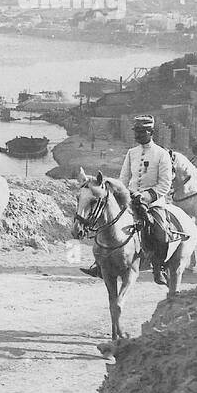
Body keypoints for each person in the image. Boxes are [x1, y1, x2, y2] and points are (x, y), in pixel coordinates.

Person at [83, 115, 174, 285]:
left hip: (153, 202)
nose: (137, 135)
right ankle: (99, 263)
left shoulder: (162, 154)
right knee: (106, 223)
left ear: (151, 132)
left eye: (141, 132)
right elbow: (123, 179)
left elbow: (165, 184)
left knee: (161, 232)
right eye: (136, 131)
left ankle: (159, 267)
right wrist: (122, 194)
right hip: (129, 199)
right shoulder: (132, 153)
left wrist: (146, 196)